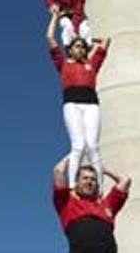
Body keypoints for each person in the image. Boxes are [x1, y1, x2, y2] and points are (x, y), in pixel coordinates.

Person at [47, 11, 110, 189]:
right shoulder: (63, 64)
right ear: (70, 49)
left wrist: (88, 40)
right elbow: (50, 38)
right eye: (76, 46)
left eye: (82, 47)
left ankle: (99, 188)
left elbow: (106, 41)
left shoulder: (92, 64)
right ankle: (73, 185)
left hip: (91, 103)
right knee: (78, 145)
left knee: (93, 146)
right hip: (72, 103)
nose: (80, 49)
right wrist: (55, 17)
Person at [52, 156, 131, 253]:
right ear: (76, 182)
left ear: (97, 184)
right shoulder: (66, 203)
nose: (89, 182)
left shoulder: (107, 204)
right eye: (85, 178)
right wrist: (74, 153)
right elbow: (58, 171)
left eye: (93, 179)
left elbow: (125, 180)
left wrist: (104, 170)